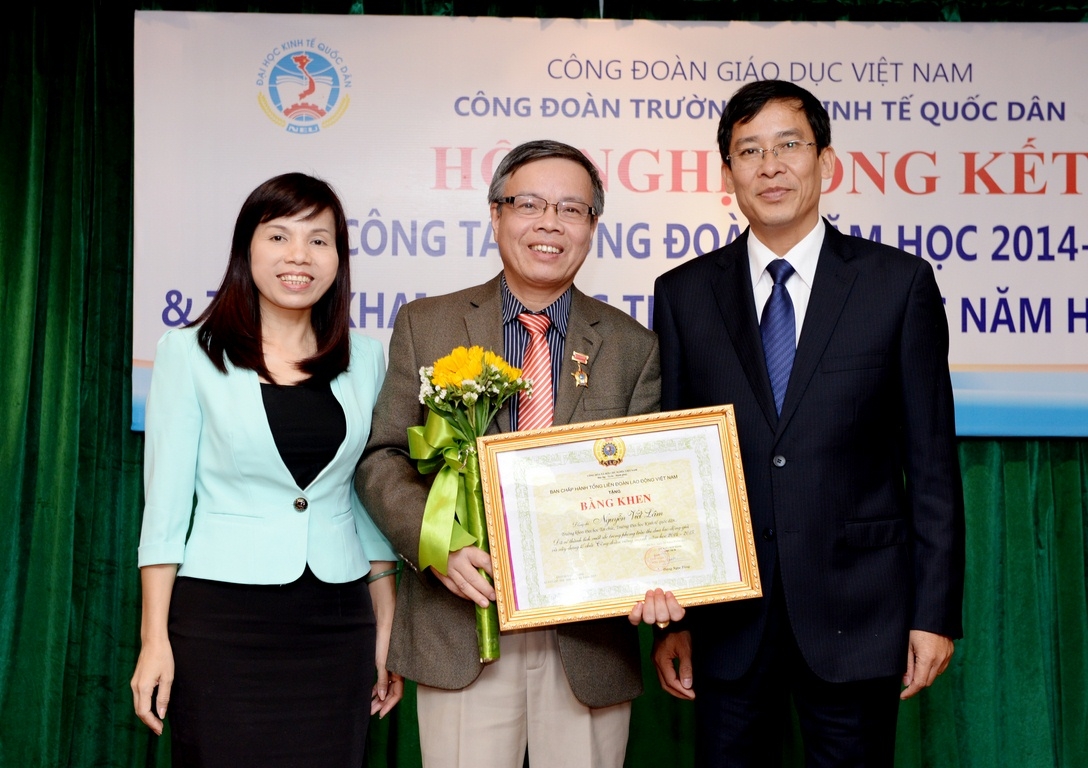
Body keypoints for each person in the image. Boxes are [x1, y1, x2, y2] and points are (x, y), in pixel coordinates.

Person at [652, 80, 966, 767]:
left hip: (860, 612)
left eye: (788, 146)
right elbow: (674, 468)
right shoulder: (682, 294)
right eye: (749, 151)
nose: (770, 167)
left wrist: (934, 614)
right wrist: (674, 617)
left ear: (826, 162)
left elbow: (933, 465)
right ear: (727, 174)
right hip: (728, 623)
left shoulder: (897, 284)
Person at [357, 140, 675, 768]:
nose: (550, 224)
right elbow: (383, 456)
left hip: (586, 640)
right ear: (496, 214)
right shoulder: (428, 324)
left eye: (571, 209)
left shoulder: (632, 345)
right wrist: (437, 544)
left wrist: (656, 566)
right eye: (529, 204)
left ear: (592, 227)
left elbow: (648, 488)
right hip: (462, 621)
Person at [130, 173, 402, 766]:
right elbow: (165, 511)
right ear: (246, 250)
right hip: (222, 621)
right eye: (279, 236)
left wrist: (387, 625)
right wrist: (154, 640)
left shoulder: (366, 358)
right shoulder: (187, 353)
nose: (299, 255)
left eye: (318, 240)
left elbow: (366, 497)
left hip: (337, 622)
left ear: (339, 258)